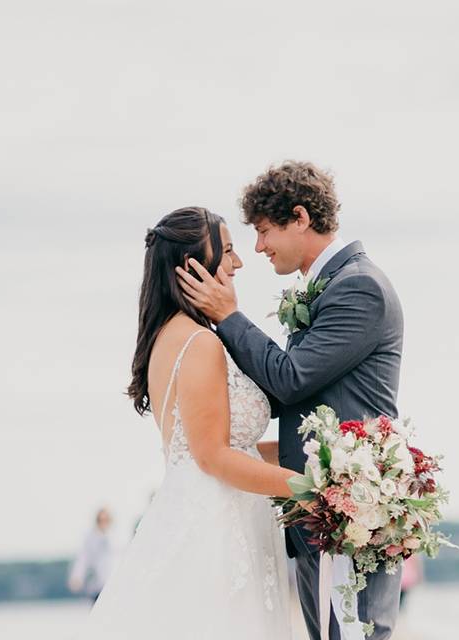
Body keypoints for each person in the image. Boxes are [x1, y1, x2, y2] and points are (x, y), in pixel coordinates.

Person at [178, 161, 405, 640]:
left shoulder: (358, 287)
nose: (258, 247)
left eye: (263, 231)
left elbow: (291, 379)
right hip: (320, 517)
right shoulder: (330, 287)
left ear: (299, 217)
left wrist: (229, 316)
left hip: (349, 515)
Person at [75, 206, 296, 640]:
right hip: (217, 528)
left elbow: (224, 445)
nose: (238, 262)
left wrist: (319, 460)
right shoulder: (199, 343)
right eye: (229, 250)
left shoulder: (170, 336)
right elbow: (212, 456)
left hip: (214, 513)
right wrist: (307, 490)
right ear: (193, 264)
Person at [67, 508, 115, 603]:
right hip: (98, 586)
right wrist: (77, 577)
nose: (103, 523)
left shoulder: (117, 537)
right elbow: (83, 559)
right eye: (100, 520)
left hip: (114, 584)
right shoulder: (90, 538)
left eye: (106, 520)